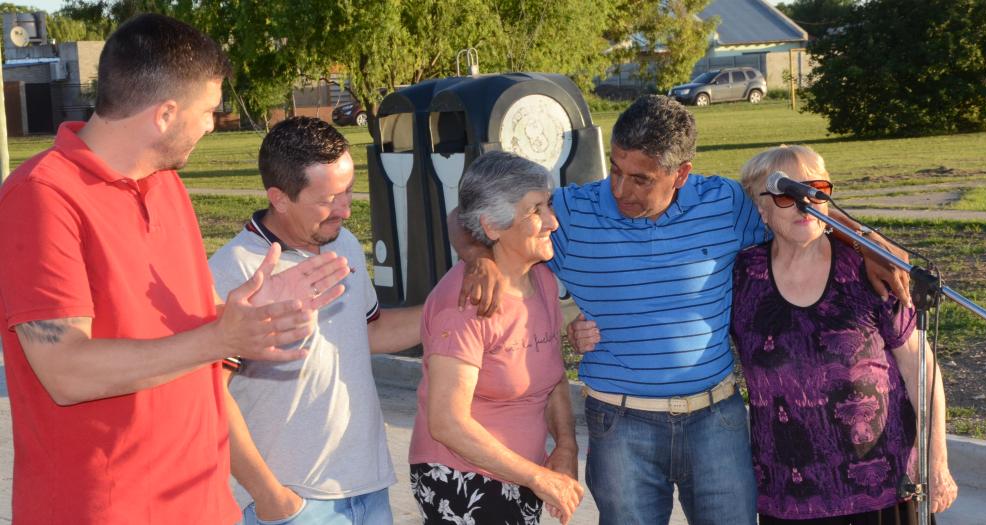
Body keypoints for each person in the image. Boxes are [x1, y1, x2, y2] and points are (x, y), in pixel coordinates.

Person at [451, 95, 912, 525]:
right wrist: (479, 258)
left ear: (681, 173)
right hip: (620, 425)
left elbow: (802, 217)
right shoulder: (572, 210)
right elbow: (466, 214)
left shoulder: (726, 203)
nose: (620, 190)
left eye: (641, 179)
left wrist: (864, 239)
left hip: (717, 421)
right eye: (615, 169)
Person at [0, 14, 350, 525]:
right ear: (165, 114)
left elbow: (174, 322)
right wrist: (221, 337)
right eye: (208, 110)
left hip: (202, 502)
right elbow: (64, 371)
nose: (212, 123)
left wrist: (247, 314)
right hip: (103, 509)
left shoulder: (165, 185)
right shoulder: (40, 197)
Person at [208, 116, 423, 525]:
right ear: (280, 197)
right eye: (329, 199)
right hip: (293, 502)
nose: (345, 209)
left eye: (349, 192)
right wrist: (271, 496)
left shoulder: (341, 244)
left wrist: (451, 306)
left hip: (367, 487)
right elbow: (209, 397)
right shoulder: (234, 272)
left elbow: (369, 333)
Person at [731, 145, 957, 524]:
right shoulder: (742, 278)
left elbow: (921, 367)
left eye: (816, 189)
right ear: (762, 209)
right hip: (790, 496)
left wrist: (937, 461)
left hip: (883, 489)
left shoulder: (870, 270)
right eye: (788, 193)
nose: (805, 203)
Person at [409, 152, 584, 525]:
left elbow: (553, 380)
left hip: (519, 478)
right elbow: (447, 422)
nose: (552, 221)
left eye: (548, 204)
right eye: (535, 210)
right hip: (461, 482)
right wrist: (538, 477)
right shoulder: (467, 301)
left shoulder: (543, 282)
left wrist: (566, 447)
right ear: (492, 227)